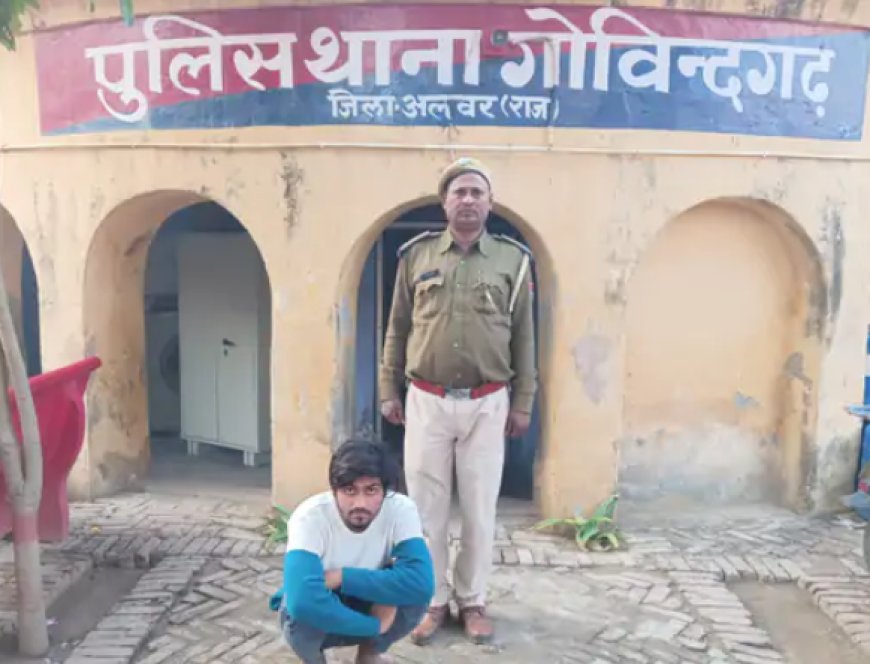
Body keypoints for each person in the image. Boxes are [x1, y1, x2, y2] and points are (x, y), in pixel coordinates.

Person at [379, 157, 537, 645]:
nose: (468, 200)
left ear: (490, 203)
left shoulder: (513, 260)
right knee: (426, 511)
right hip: (426, 399)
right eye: (459, 192)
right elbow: (397, 328)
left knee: (478, 509)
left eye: (477, 192)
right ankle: (432, 601)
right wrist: (389, 389)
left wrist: (524, 400)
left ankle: (472, 601)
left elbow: (524, 338)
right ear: (444, 202)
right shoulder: (416, 256)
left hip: (489, 403)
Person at [269, 440, 434, 664]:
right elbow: (302, 600)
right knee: (296, 616)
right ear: (334, 490)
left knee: (413, 600)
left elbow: (421, 584)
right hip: (325, 606)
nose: (360, 503)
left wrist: (342, 576)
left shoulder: (400, 510)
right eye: (349, 490)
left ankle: (370, 653)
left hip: (367, 595)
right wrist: (374, 626)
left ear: (385, 490)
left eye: (371, 490)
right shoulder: (309, 517)